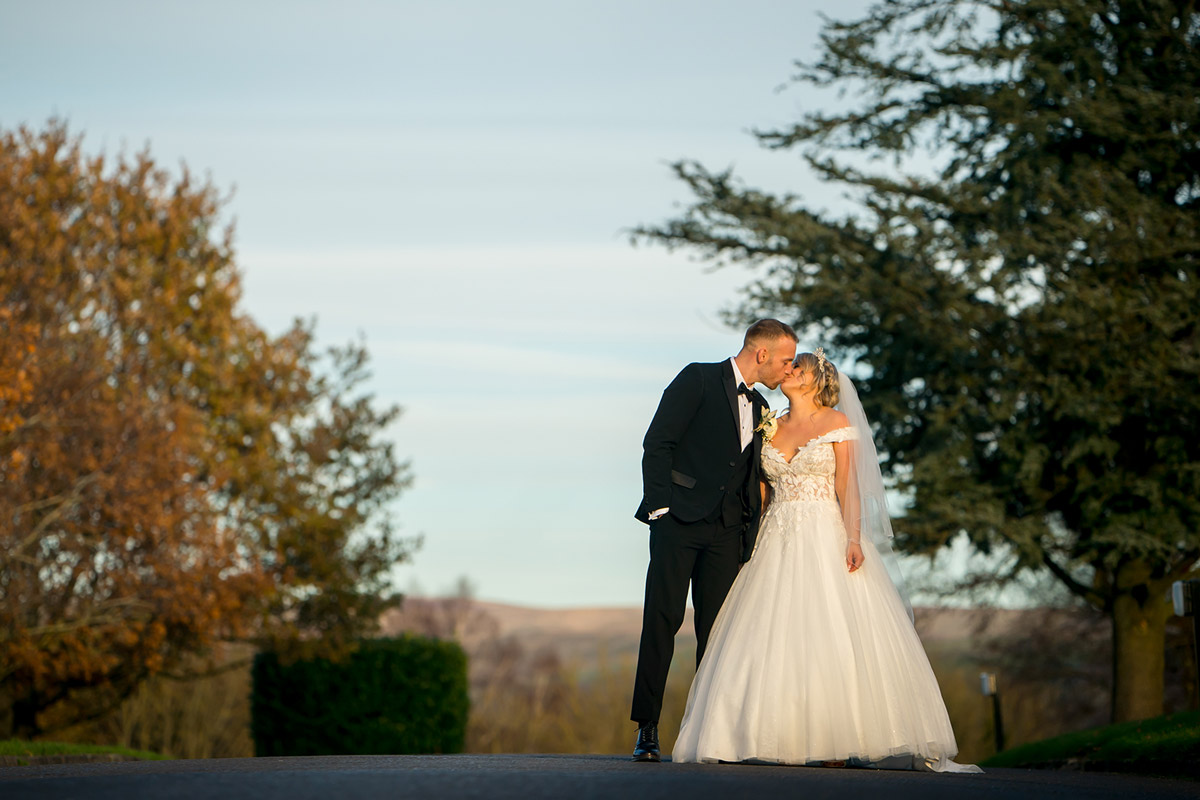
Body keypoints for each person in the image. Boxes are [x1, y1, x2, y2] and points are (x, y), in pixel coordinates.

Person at [671, 349, 982, 773]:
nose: (788, 371)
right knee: (774, 637)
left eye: (796, 367)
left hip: (825, 534)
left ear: (814, 380)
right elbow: (761, 489)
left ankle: (837, 738)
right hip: (776, 536)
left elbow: (847, 486)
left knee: (831, 631)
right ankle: (756, 734)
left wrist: (854, 537)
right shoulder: (770, 425)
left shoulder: (837, 424)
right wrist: (748, 538)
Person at [629, 319, 799, 762]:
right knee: (662, 621)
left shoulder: (763, 407)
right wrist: (660, 508)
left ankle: (706, 730)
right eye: (784, 360)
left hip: (727, 533)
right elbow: (658, 443)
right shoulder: (697, 377)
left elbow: (751, 475)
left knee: (718, 633)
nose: (788, 369)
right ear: (762, 354)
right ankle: (647, 728)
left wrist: (749, 533)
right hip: (678, 523)